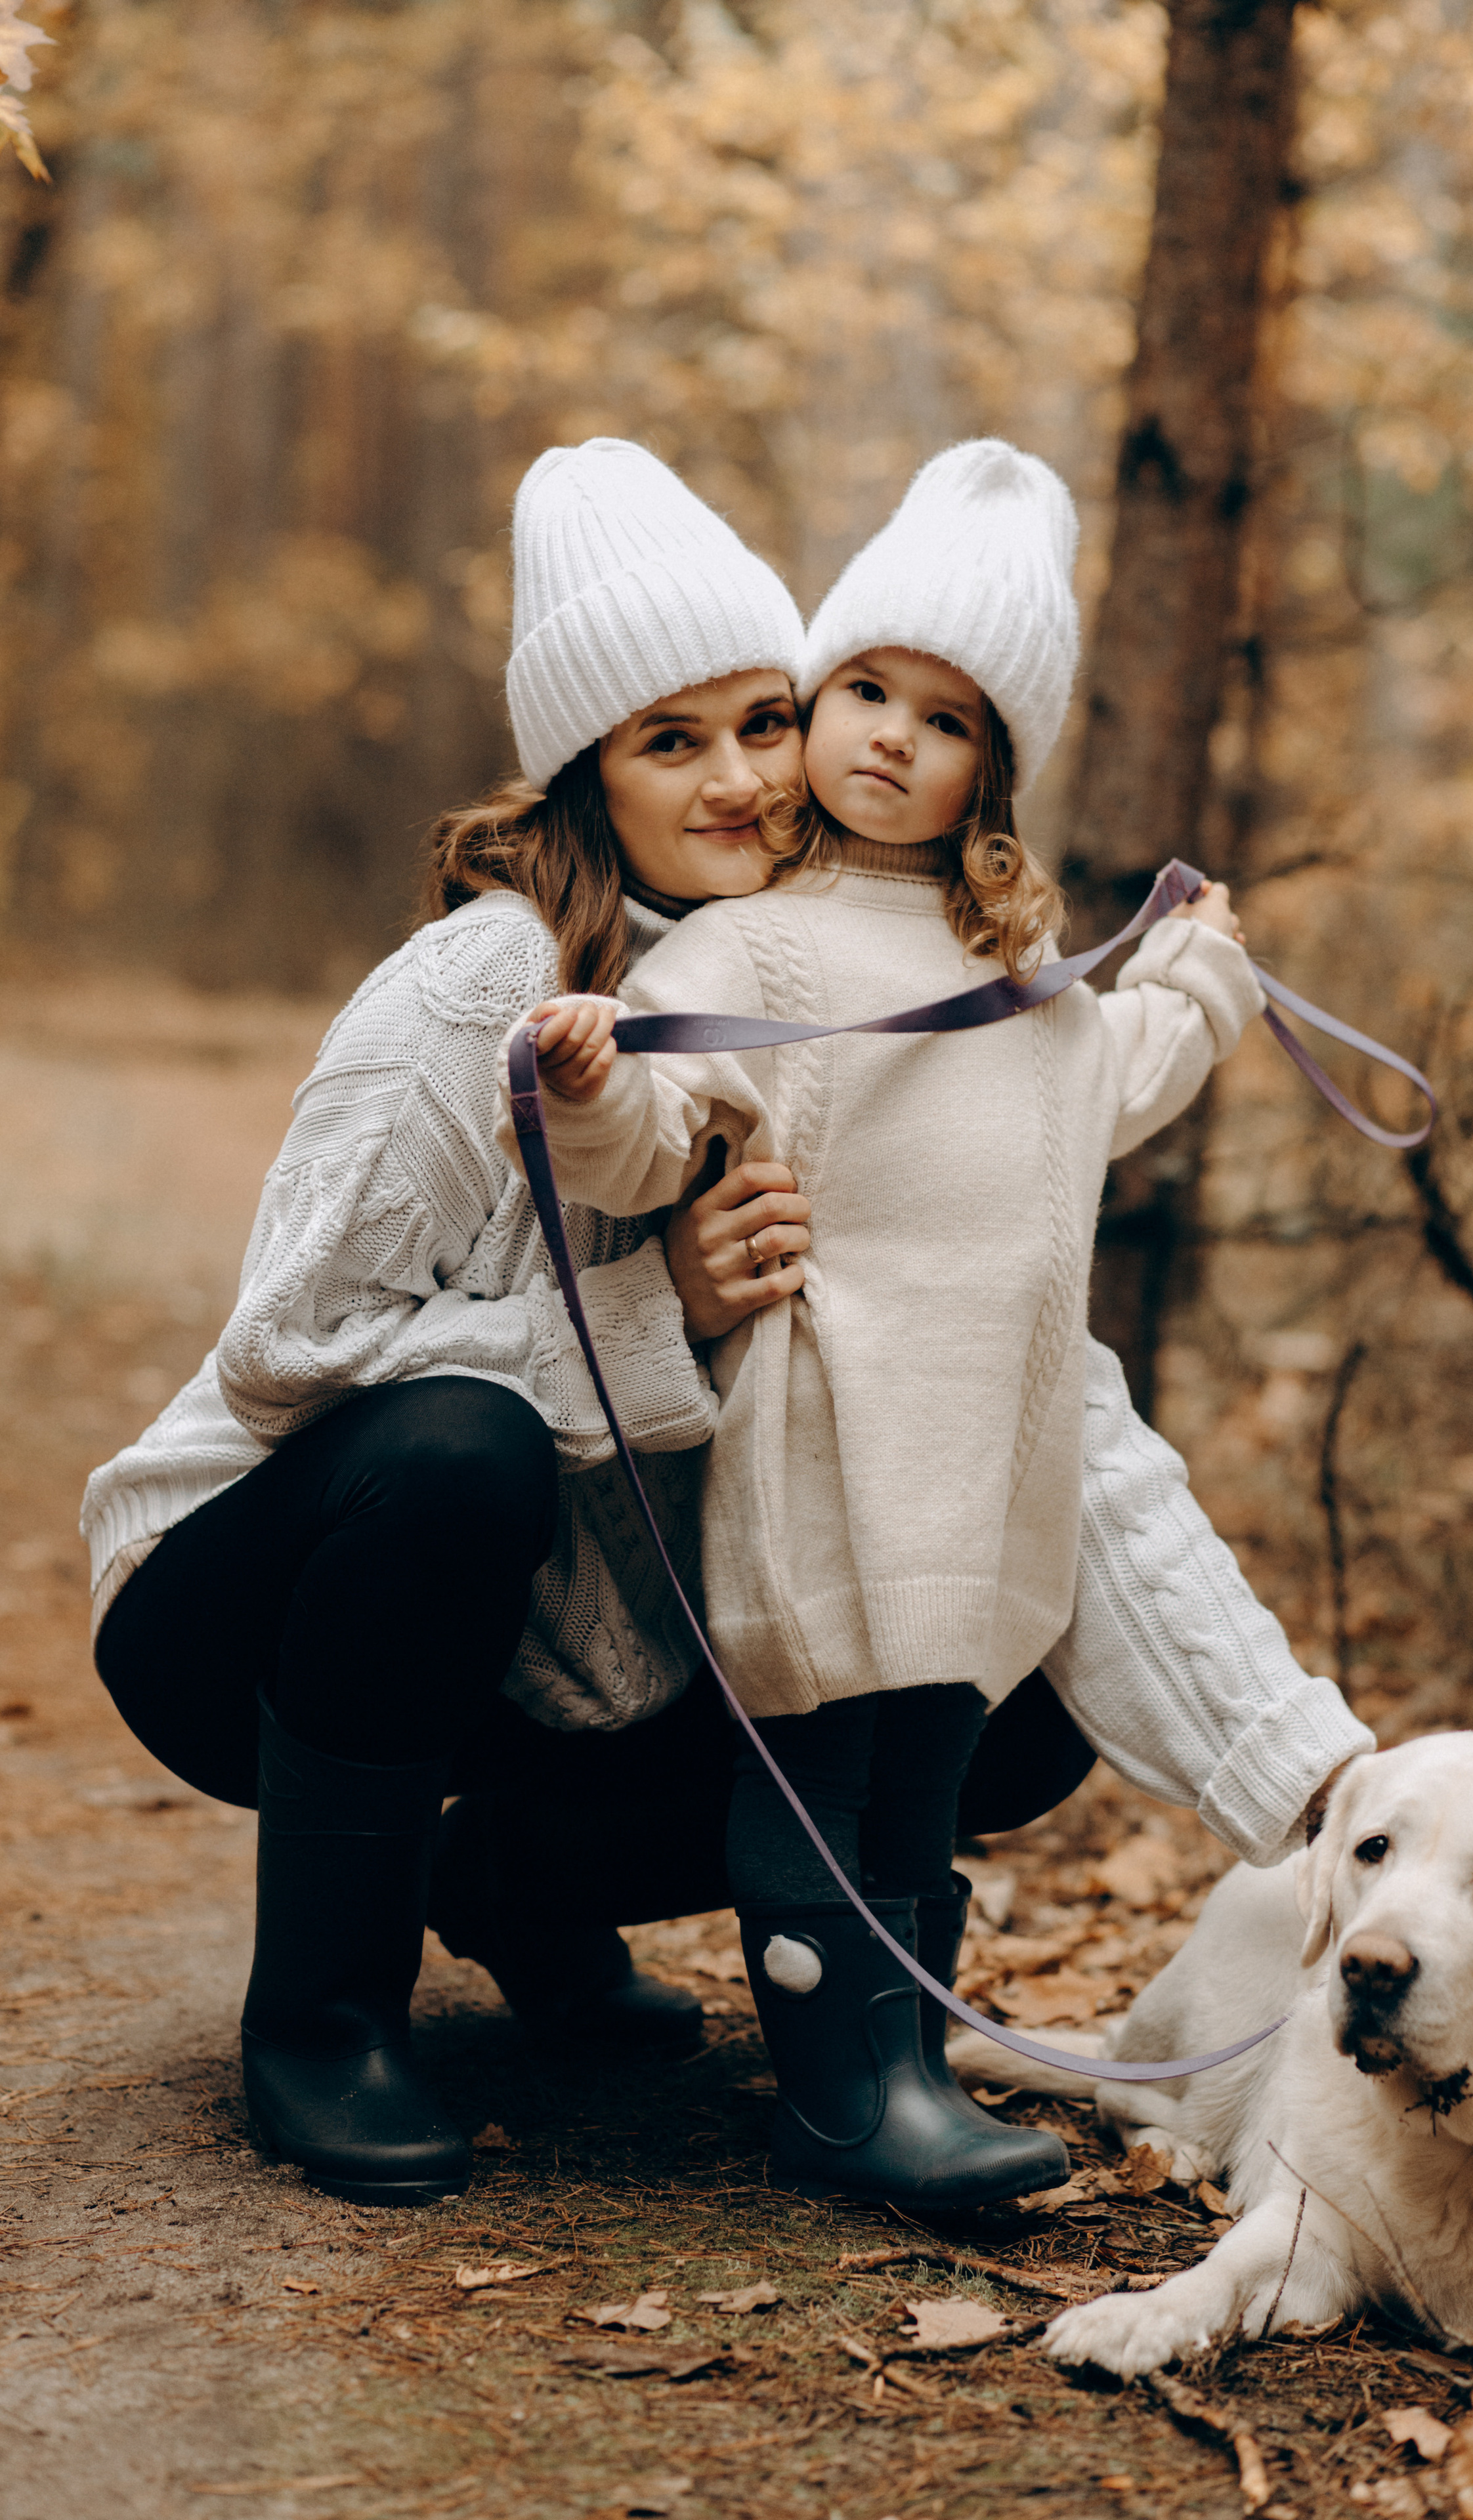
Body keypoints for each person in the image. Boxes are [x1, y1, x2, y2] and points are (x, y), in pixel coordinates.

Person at [81, 436, 1371, 2216]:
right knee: (462, 1442)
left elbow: (1014, 1368)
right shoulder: (477, 988)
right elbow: (289, 1353)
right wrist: (652, 1306)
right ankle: (322, 2015)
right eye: (670, 742)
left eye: (767, 720)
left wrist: (1313, 1783)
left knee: (991, 1684)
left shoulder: (842, 992)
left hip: (574, 1639)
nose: (746, 778)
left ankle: (526, 1886)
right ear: (586, 769)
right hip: (257, 1599)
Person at [509, 440, 1367, 2212]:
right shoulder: (762, 947)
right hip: (835, 1444)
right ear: (815, 707)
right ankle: (836, 2096)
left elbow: (1106, 1085)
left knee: (924, 1776)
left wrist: (1200, 976)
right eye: (864, 691)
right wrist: (589, 1081)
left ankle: (899, 2054)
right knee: (824, 1760)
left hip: (991, 1468)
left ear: (996, 769)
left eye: (947, 717)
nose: (893, 735)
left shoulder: (1021, 987)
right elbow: (664, 1129)